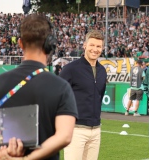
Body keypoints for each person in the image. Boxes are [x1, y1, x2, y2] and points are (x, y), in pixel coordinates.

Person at [0, 14, 78, 160]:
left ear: (20, 43)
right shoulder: (61, 87)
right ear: (50, 44)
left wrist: (1, 154)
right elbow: (64, 136)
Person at [60, 30, 107, 160]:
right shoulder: (70, 69)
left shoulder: (102, 71)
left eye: (98, 46)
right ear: (85, 45)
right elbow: (58, 97)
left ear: (102, 48)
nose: (95, 49)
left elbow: (99, 97)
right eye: (92, 45)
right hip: (75, 130)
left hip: (96, 130)